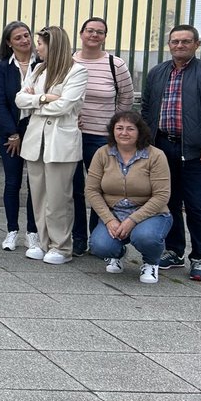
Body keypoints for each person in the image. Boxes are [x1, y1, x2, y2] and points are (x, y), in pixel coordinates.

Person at [141, 23, 201, 282]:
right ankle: (174, 251)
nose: (180, 45)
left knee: (195, 205)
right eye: (175, 41)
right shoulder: (158, 72)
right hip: (161, 147)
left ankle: (199, 256)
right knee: (167, 202)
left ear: (196, 44)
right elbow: (147, 109)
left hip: (195, 150)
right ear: (169, 44)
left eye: (186, 41)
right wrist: (146, 144)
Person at [16, 26, 88, 265]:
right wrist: (44, 98)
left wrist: (34, 102)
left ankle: (61, 246)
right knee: (38, 196)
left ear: (53, 45)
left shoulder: (77, 71)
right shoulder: (37, 70)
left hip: (61, 143)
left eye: (40, 43)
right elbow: (20, 99)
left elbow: (65, 106)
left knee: (59, 198)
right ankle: (44, 242)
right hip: (36, 141)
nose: (36, 47)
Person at [70, 16, 135, 256]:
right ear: (81, 33)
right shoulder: (69, 61)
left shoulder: (114, 64)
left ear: (105, 36)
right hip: (73, 136)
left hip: (103, 139)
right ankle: (78, 238)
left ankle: (100, 235)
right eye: (90, 30)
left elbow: (126, 100)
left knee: (101, 189)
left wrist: (115, 129)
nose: (94, 35)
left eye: (100, 32)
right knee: (75, 188)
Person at [85, 111, 172, 284]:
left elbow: (162, 195)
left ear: (140, 132)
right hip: (115, 213)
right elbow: (91, 190)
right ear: (112, 131)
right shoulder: (102, 153)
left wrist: (132, 220)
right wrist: (109, 220)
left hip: (150, 214)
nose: (124, 133)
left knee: (146, 237)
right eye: (119, 128)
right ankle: (118, 254)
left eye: (130, 129)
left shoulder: (155, 155)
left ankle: (150, 262)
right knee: (99, 246)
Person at [0, 21, 40, 253]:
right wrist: (12, 134)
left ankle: (33, 232)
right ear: (9, 43)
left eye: (27, 35)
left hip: (36, 131)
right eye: (18, 37)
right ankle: (12, 230)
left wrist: (27, 132)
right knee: (12, 182)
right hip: (10, 133)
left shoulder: (42, 64)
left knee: (35, 184)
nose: (25, 40)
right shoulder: (2, 67)